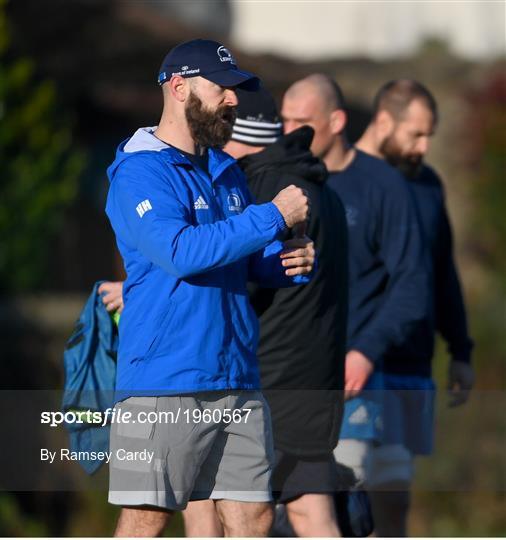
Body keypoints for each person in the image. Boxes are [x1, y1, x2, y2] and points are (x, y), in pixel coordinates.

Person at [103, 39, 315, 538]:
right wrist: (274, 216)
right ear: (179, 87)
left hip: (237, 377)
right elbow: (181, 251)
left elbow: (237, 258)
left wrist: (287, 262)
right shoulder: (140, 172)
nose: (233, 100)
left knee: (254, 516)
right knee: (147, 517)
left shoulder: (225, 171)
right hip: (165, 382)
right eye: (223, 88)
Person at [182, 86, 349, 537]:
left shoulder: (254, 189)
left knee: (208, 505)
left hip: (264, 382)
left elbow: (231, 283)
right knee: (313, 514)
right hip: (318, 384)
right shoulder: (322, 189)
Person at [281, 74, 431, 534]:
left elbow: (413, 284)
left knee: (346, 514)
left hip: (353, 387)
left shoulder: (382, 186)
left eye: (302, 122)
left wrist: (365, 350)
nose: (290, 133)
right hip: (284, 382)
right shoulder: (279, 183)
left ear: (337, 120)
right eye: (284, 121)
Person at [355, 79, 474, 536]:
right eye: (416, 134)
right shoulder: (342, 176)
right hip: (353, 369)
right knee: (343, 500)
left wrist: (460, 348)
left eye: (429, 136)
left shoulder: (426, 185)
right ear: (384, 121)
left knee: (393, 499)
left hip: (409, 364)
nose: (423, 147)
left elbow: (441, 271)